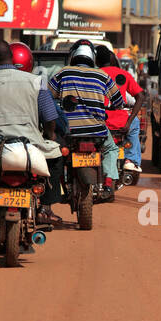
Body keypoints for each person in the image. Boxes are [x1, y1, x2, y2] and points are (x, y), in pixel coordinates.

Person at [0, 39, 62, 239]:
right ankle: (46, 208)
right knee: (57, 156)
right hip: (31, 147)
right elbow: (50, 118)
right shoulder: (35, 82)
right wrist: (50, 136)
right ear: (12, 57)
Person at [48, 39, 123, 201]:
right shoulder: (103, 75)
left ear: (73, 55)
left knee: (54, 154)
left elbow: (48, 96)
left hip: (70, 130)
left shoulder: (63, 72)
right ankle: (109, 184)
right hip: (97, 131)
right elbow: (119, 102)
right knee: (111, 149)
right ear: (92, 57)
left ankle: (59, 187)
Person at [96, 45, 144, 179]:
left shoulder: (93, 74)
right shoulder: (123, 74)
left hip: (99, 122)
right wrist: (128, 122)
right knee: (135, 124)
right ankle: (131, 160)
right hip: (121, 122)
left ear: (96, 60)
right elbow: (141, 96)